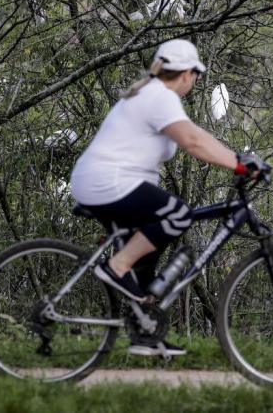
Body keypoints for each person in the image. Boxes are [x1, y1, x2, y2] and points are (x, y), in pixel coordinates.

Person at [70, 39, 255, 356]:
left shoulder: (150, 94)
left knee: (147, 261)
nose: (195, 82)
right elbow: (193, 142)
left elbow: (197, 134)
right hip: (109, 182)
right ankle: (116, 267)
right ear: (186, 74)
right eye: (195, 75)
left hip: (105, 182)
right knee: (177, 214)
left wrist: (235, 157)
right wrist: (239, 163)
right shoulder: (159, 96)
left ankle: (145, 333)